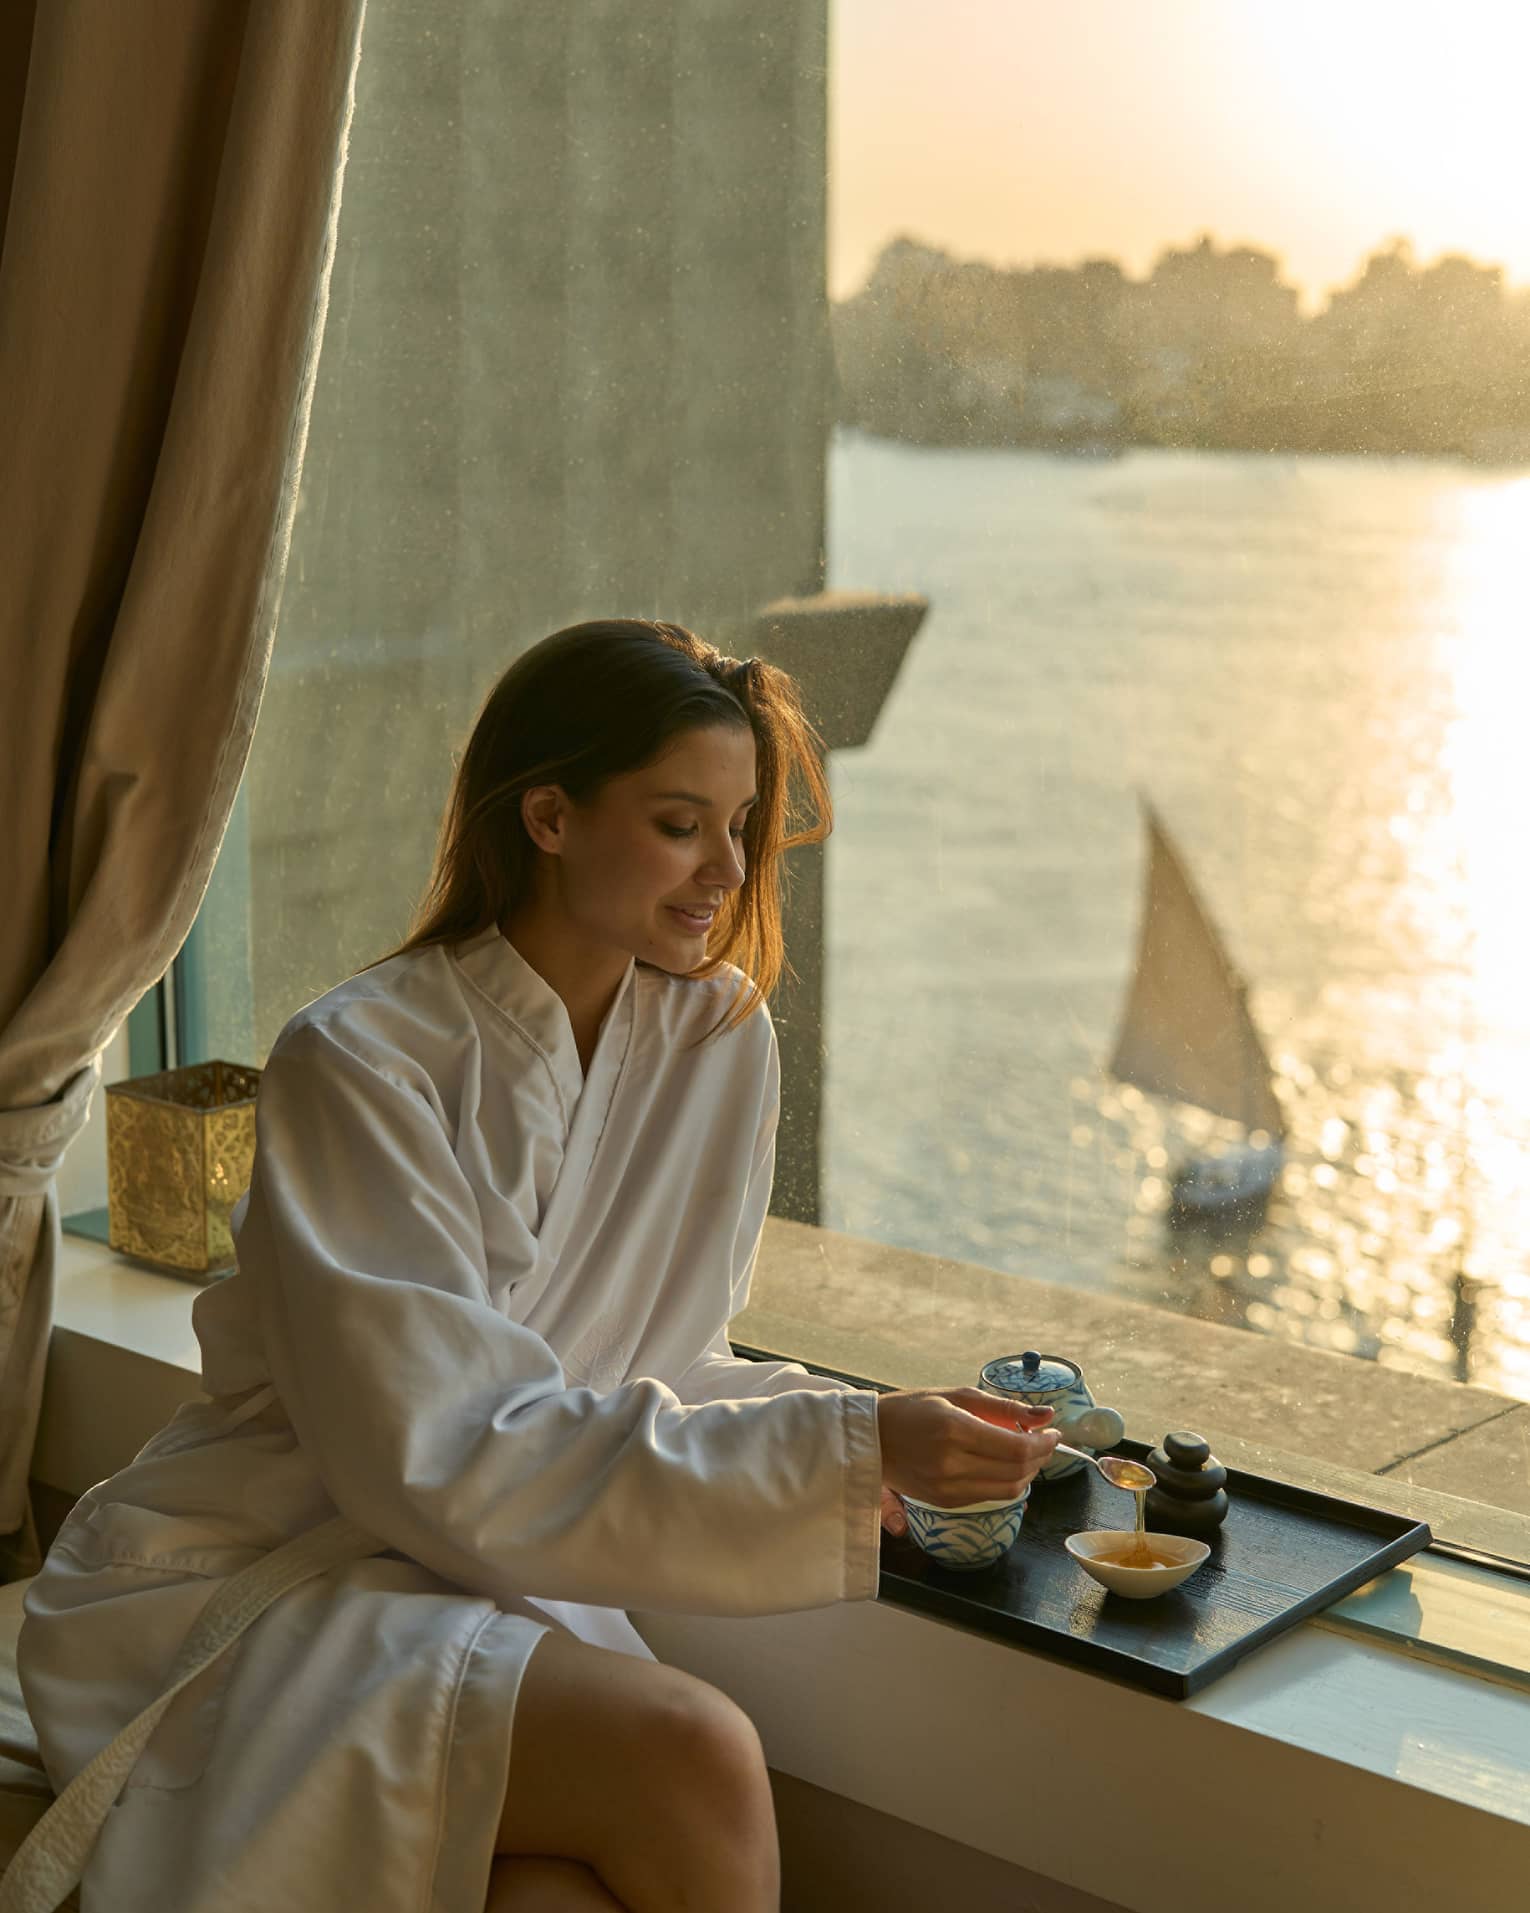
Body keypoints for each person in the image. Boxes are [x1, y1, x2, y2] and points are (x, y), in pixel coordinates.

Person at [14, 620, 1057, 1913]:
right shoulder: (359, 1060)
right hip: (273, 1565)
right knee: (697, 1753)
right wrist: (848, 1452)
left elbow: (665, 1365)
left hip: (478, 1572)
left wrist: (888, 1438)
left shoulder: (717, 1042)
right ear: (550, 816)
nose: (724, 871)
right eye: (681, 823)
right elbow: (445, 1451)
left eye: (739, 827)